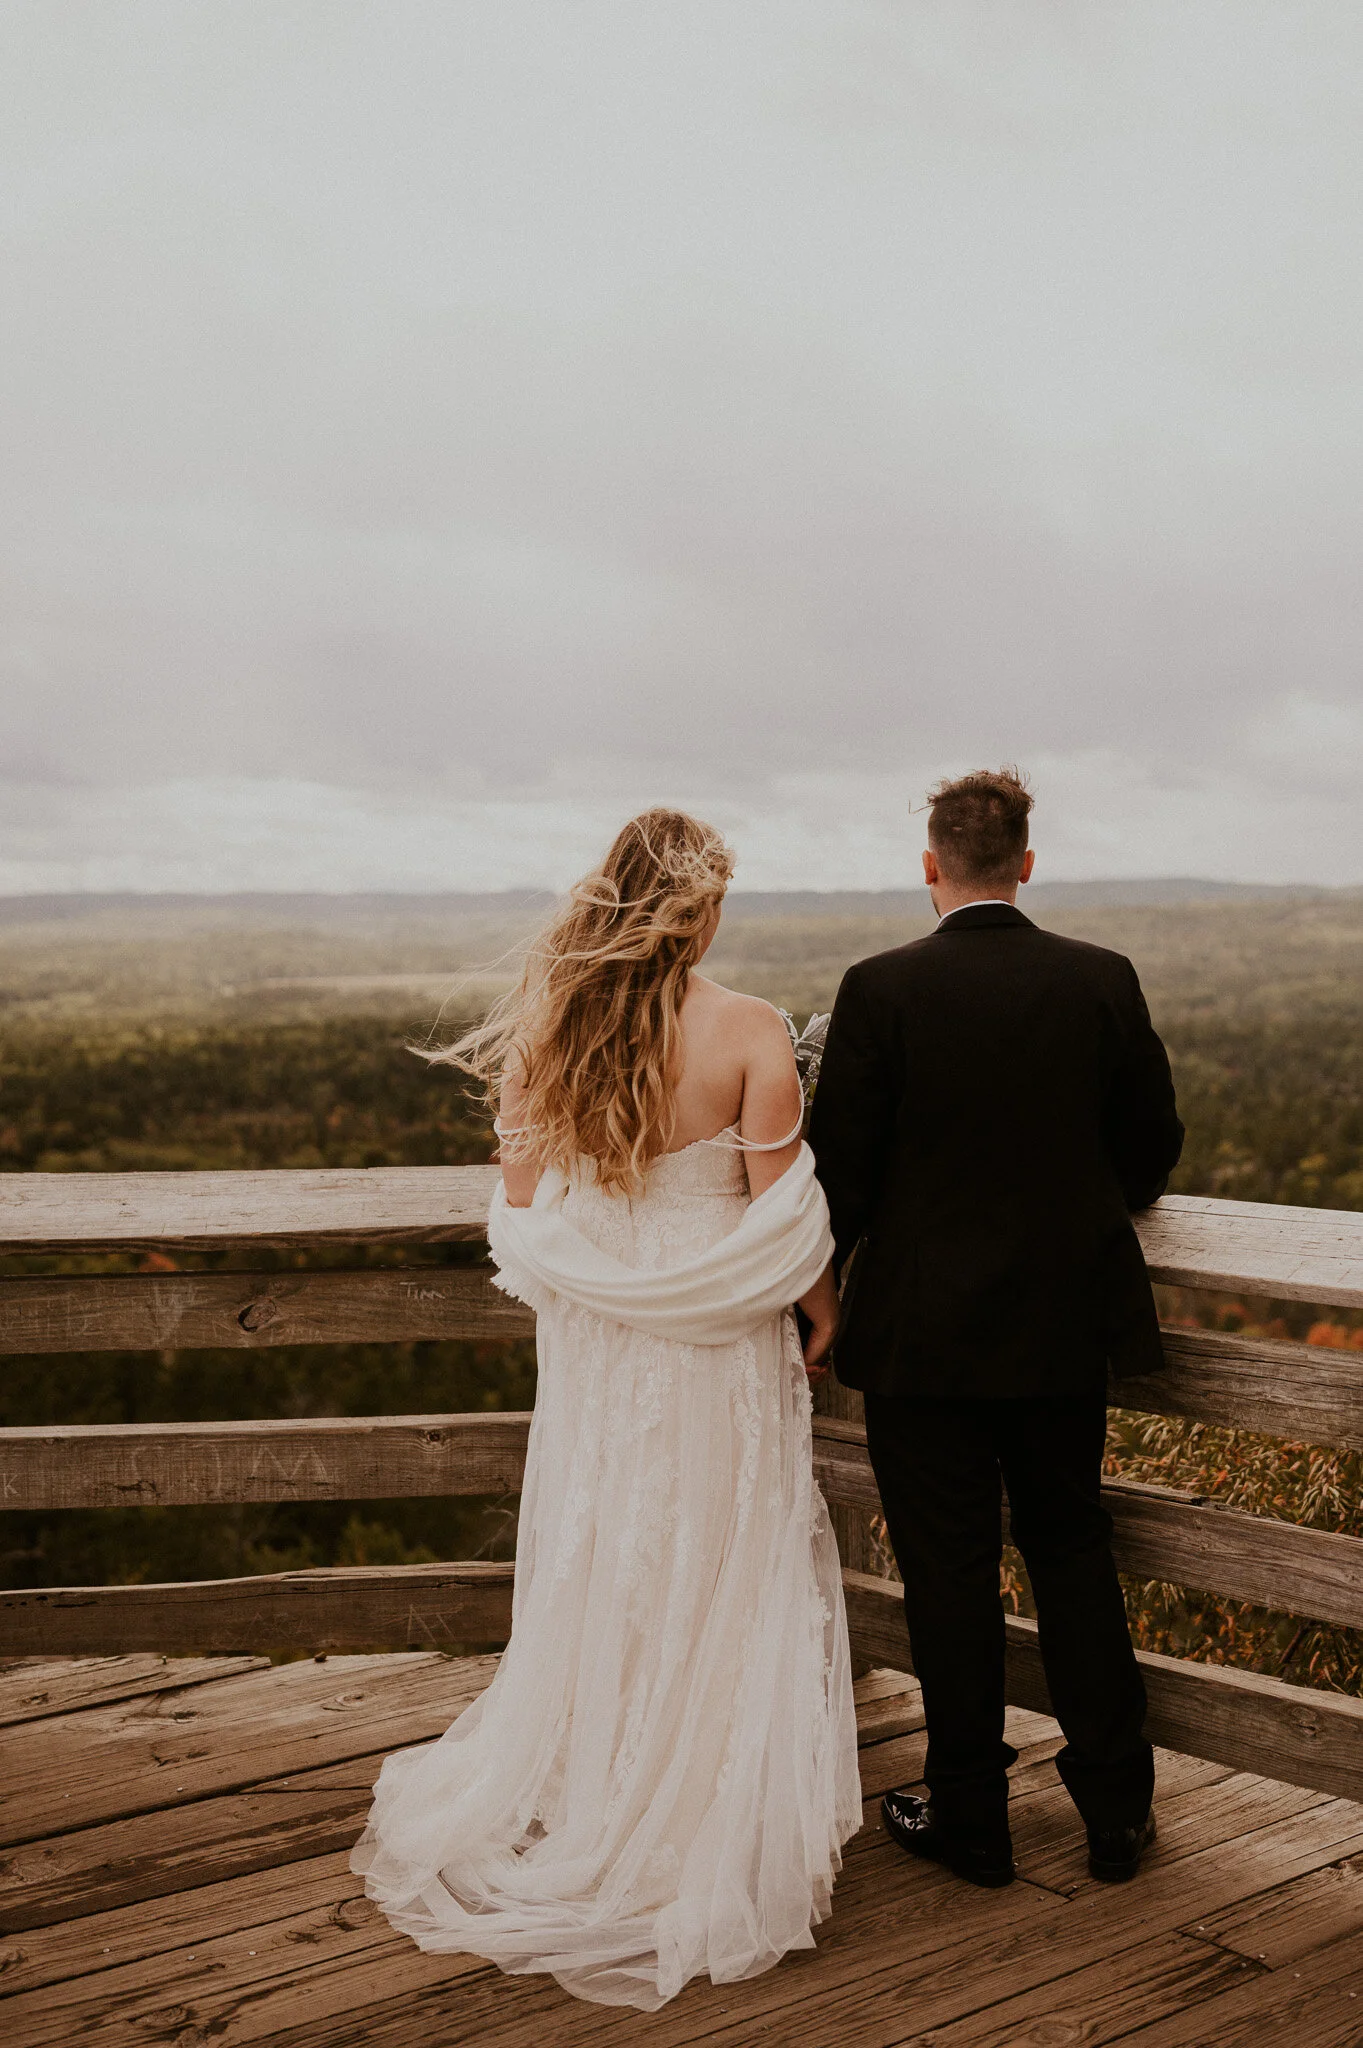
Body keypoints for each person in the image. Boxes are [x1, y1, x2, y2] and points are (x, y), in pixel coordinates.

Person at [352, 808, 860, 2011]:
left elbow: (525, 1206)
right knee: (719, 1547)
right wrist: (825, 1311)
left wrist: (609, 1270)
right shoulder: (750, 1032)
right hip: (719, 1346)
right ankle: (693, 1798)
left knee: (605, 1539)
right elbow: (784, 1223)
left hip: (598, 1348)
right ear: (701, 908)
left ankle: (597, 1771)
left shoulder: (548, 1038)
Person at [810, 767, 1183, 1891]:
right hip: (1064, 1327)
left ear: (930, 864)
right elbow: (1150, 1154)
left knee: (948, 1571)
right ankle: (1116, 1808)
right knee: (1072, 1549)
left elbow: (842, 1180)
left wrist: (818, 1290)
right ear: (1026, 861)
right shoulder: (1100, 979)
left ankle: (973, 1814)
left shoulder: (878, 989)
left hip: (921, 1340)